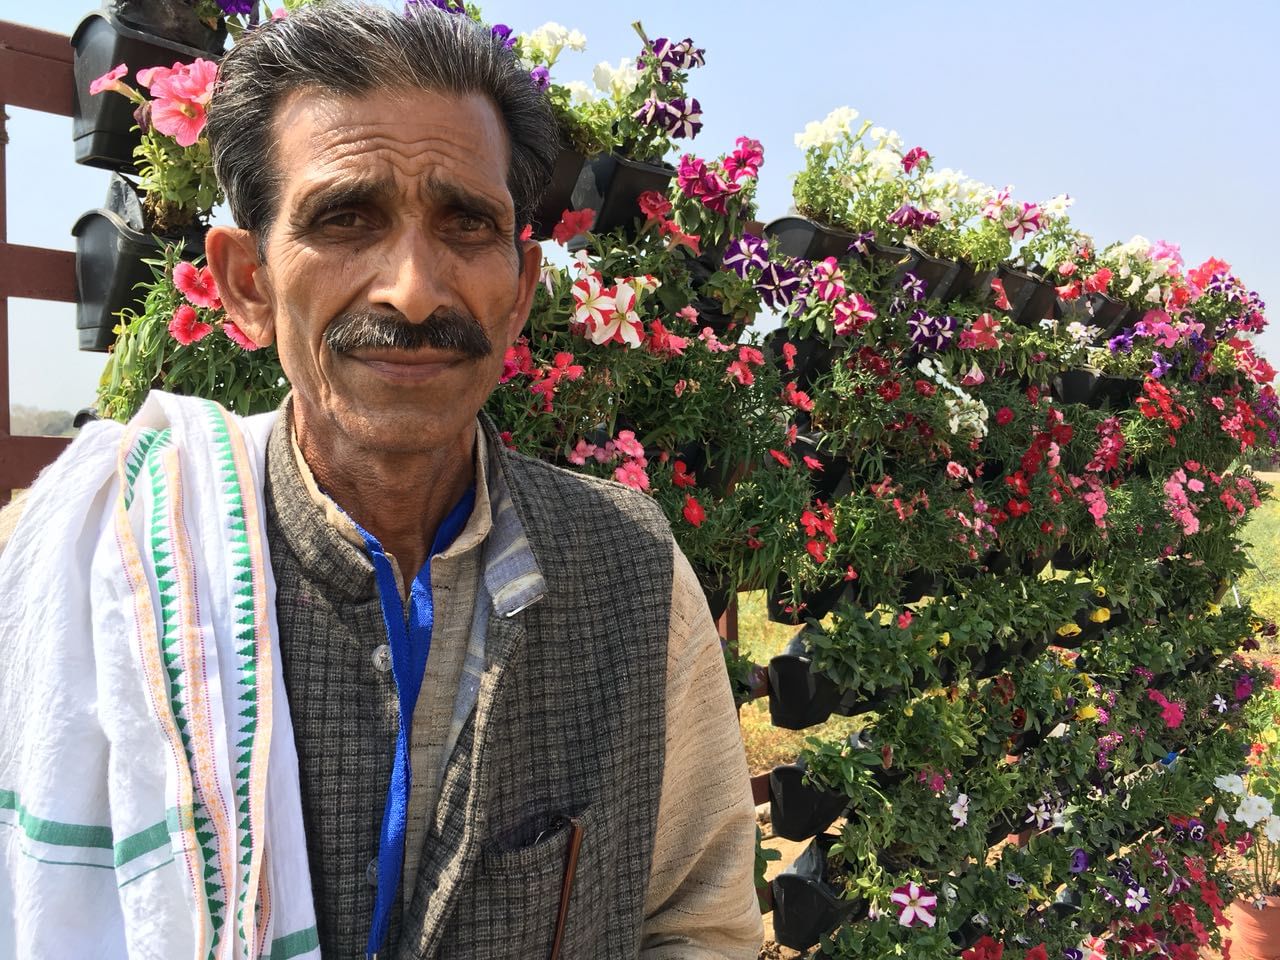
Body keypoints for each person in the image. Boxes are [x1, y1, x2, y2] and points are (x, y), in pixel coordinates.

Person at [0, 4, 762, 958]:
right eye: (346, 218)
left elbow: (699, 922)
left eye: (466, 224)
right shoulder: (127, 570)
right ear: (245, 284)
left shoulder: (630, 573)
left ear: (521, 289)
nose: (413, 289)